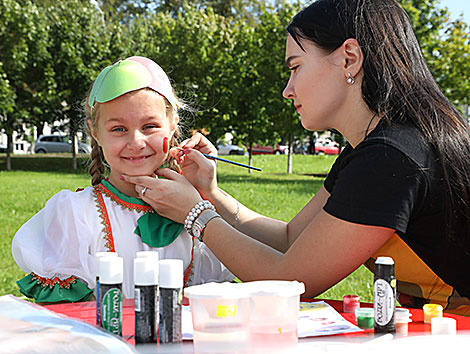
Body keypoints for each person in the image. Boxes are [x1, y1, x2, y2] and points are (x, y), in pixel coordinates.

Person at [122, 0, 470, 316]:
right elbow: (291, 241)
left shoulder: (391, 157)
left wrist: (194, 214)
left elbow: (291, 282)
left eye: (296, 67)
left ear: (350, 57)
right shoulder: (374, 149)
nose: (287, 90)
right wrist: (210, 192)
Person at [11, 56, 233, 303]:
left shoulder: (198, 209)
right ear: (95, 133)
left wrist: (208, 193)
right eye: (119, 129)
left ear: (172, 127)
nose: (136, 142)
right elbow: (68, 317)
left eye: (149, 126)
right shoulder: (75, 214)